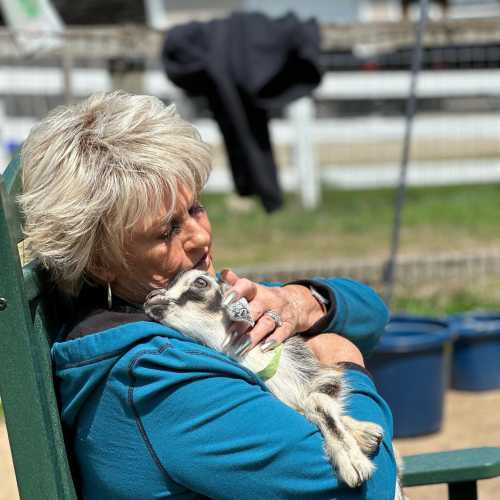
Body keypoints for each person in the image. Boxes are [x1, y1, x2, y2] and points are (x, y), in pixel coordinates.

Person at [19, 91, 398, 499]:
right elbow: (368, 488)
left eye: (195, 208)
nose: (199, 237)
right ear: (101, 261)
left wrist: (301, 303)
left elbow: (372, 315)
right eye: (167, 232)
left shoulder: (165, 306)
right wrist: (343, 359)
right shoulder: (158, 383)